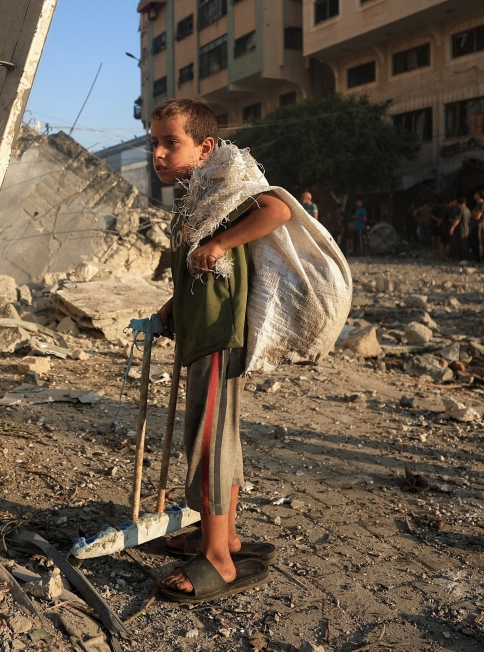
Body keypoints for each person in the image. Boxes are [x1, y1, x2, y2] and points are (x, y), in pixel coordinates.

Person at [151, 97, 287, 603]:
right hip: (204, 331)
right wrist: (172, 304)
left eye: (172, 142)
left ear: (205, 147)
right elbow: (196, 263)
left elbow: (278, 208)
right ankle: (224, 536)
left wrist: (223, 243)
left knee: (207, 442)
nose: (159, 154)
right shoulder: (196, 194)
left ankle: (218, 561)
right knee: (219, 439)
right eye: (155, 143)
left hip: (218, 335)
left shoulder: (228, 187)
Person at [470, 191, 484, 262]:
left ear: (479, 195)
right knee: (473, 242)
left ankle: (480, 259)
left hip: (480, 226)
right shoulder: (478, 205)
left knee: (479, 242)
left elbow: (477, 216)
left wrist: (474, 214)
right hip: (476, 225)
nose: (474, 195)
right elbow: (472, 214)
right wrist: (474, 214)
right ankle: (477, 257)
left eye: (476, 194)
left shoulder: (482, 205)